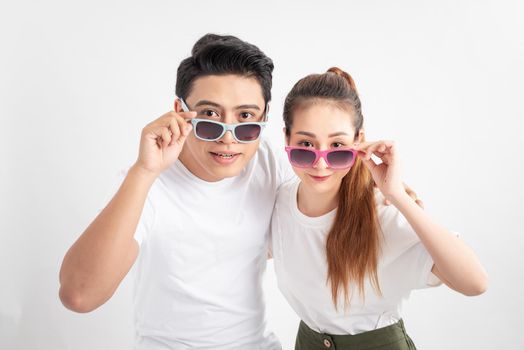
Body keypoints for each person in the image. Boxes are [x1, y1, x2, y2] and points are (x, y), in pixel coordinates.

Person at [58, 34, 420, 349]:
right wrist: (143, 172)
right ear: (178, 113)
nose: (229, 137)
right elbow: (80, 295)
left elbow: (319, 181)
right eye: (210, 117)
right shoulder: (148, 184)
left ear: (264, 119)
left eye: (246, 118)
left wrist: (382, 190)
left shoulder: (265, 161)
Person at [270, 67, 488, 350]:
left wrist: (397, 195)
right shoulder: (279, 202)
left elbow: (475, 282)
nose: (320, 163)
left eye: (337, 146)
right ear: (286, 139)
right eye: (305, 145)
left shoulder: (381, 212)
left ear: (358, 141)